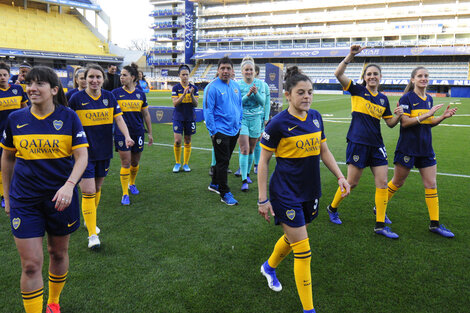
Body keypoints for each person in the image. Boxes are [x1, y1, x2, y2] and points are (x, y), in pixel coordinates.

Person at [258, 66, 350, 313]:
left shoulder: (316, 117)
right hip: (285, 193)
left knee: (293, 238)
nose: (307, 96)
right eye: (301, 92)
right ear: (288, 95)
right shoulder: (277, 124)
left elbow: (324, 150)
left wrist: (340, 176)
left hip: (310, 191)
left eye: (310, 91)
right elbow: (264, 162)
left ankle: (268, 267)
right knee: (304, 250)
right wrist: (262, 199)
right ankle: (309, 309)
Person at [1, 66, 88, 313]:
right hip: (24, 200)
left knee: (57, 254)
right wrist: (7, 197)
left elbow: (82, 156)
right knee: (30, 265)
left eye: (39, 84)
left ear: (54, 89)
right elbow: (7, 159)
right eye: (29, 83)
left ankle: (53, 302)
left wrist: (69, 186)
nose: (32, 88)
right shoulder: (16, 119)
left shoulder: (69, 117)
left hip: (61, 199)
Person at [324, 45, 403, 239]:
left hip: (377, 145)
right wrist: (351, 55)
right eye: (369, 74)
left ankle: (380, 225)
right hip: (358, 143)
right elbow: (338, 73)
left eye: (375, 74)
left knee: (383, 183)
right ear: (365, 77)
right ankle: (332, 208)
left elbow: (390, 123)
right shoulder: (357, 90)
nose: (372, 77)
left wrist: (399, 116)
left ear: (380, 77)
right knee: (352, 182)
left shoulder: (384, 99)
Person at [386, 67, 457, 238]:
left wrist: (442, 117)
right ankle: (379, 206)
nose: (423, 78)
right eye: (420, 76)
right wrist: (428, 115)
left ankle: (435, 224)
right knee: (398, 182)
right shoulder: (406, 98)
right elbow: (405, 123)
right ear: (413, 80)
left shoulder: (430, 99)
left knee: (431, 184)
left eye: (426, 76)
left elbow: (429, 122)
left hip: (426, 148)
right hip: (408, 147)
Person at [69, 64, 134, 249]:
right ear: (85, 78)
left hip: (104, 151)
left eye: (98, 77)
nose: (94, 80)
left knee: (97, 188)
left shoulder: (109, 97)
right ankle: (92, 236)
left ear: (103, 79)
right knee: (88, 190)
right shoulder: (76, 99)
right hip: (83, 153)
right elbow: (68, 123)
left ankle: (89, 219)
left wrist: (127, 136)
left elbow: (119, 118)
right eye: (91, 77)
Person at [112, 63, 153, 205]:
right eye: (121, 75)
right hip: (121, 133)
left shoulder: (140, 94)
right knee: (126, 162)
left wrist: (150, 133)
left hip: (138, 132)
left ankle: (132, 183)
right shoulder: (115, 93)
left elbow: (146, 114)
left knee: (135, 162)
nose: (121, 77)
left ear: (133, 77)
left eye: (124, 75)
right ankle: (125, 193)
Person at [204, 56, 242, 205]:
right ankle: (224, 192)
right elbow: (208, 110)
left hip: (234, 130)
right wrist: (213, 131)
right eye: (222, 68)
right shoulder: (212, 87)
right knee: (223, 162)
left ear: (232, 70)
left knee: (225, 159)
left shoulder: (235, 86)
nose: (225, 71)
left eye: (228, 68)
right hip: (220, 130)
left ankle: (214, 183)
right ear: (218, 70)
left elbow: (239, 106)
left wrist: (238, 123)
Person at [0, 62, 29, 208]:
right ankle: (4, 195)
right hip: (1, 133)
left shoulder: (17, 89)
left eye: (4, 74)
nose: (2, 77)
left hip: (17, 132)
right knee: (3, 164)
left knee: (18, 162)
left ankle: (17, 189)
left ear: (9, 74)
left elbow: (25, 109)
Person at [237, 56, 266, 191]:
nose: (249, 72)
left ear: (255, 71)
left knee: (252, 149)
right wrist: (248, 95)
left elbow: (262, 102)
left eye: (251, 70)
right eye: (246, 70)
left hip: (255, 119)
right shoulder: (237, 85)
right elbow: (237, 103)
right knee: (244, 148)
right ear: (242, 71)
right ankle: (244, 180)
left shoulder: (260, 84)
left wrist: (256, 94)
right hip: (242, 119)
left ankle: (247, 173)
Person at [171, 64, 198, 173]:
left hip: (190, 117)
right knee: (177, 141)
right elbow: (175, 103)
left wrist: (191, 95)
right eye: (183, 75)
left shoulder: (194, 88)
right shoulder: (176, 88)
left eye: (187, 74)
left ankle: (185, 163)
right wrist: (183, 94)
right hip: (178, 117)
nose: (185, 77)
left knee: (187, 140)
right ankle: (177, 163)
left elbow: (196, 104)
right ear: (179, 75)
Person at [253, 64, 270, 174]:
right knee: (244, 141)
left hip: (260, 117)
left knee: (258, 139)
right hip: (247, 118)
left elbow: (267, 103)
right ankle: (243, 166)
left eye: (252, 70)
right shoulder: (242, 85)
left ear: (257, 72)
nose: (250, 73)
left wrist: (266, 117)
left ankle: (257, 164)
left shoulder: (264, 85)